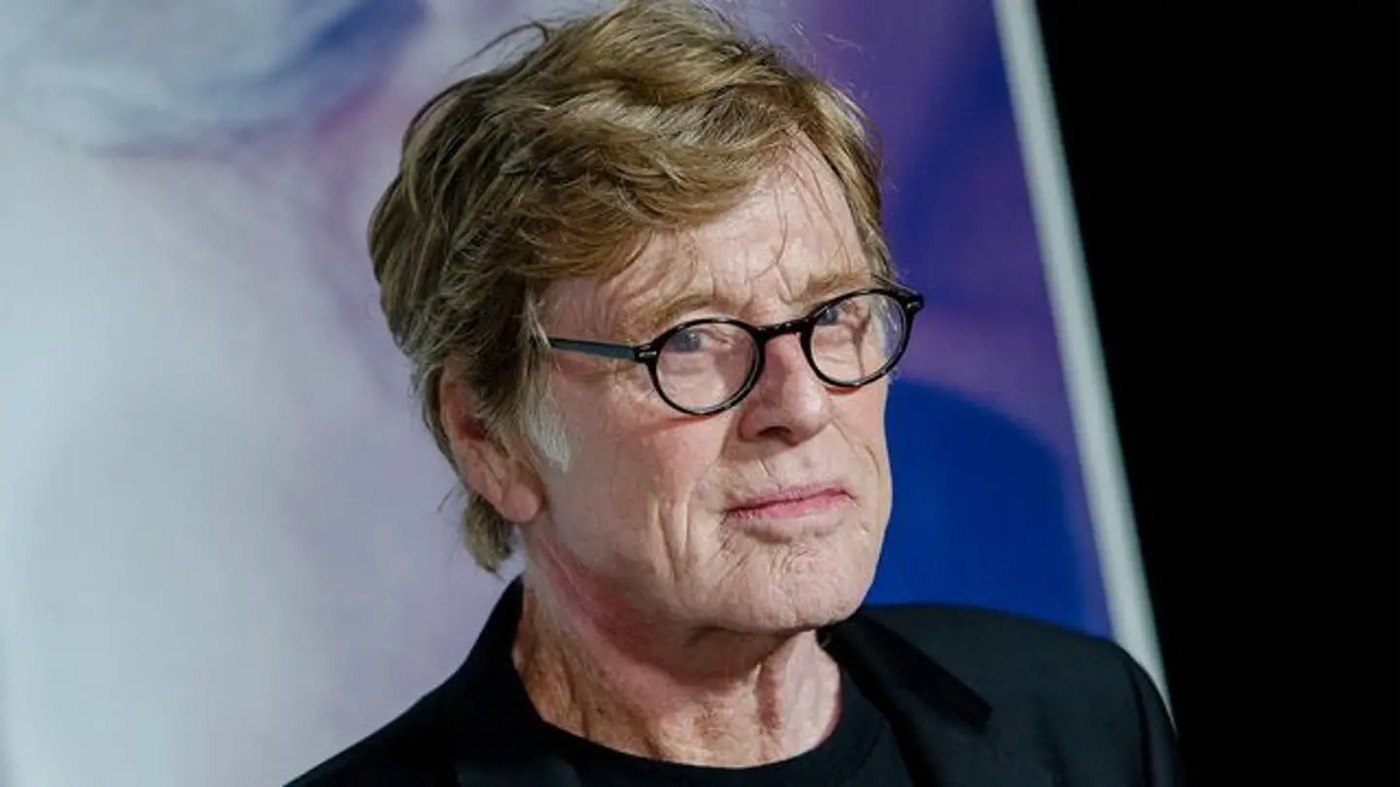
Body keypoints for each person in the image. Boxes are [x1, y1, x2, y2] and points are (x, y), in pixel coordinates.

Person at [287, 1, 1181, 784]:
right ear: (489, 435)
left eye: (834, 313)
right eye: (690, 339)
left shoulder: (1084, 720)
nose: (803, 405)